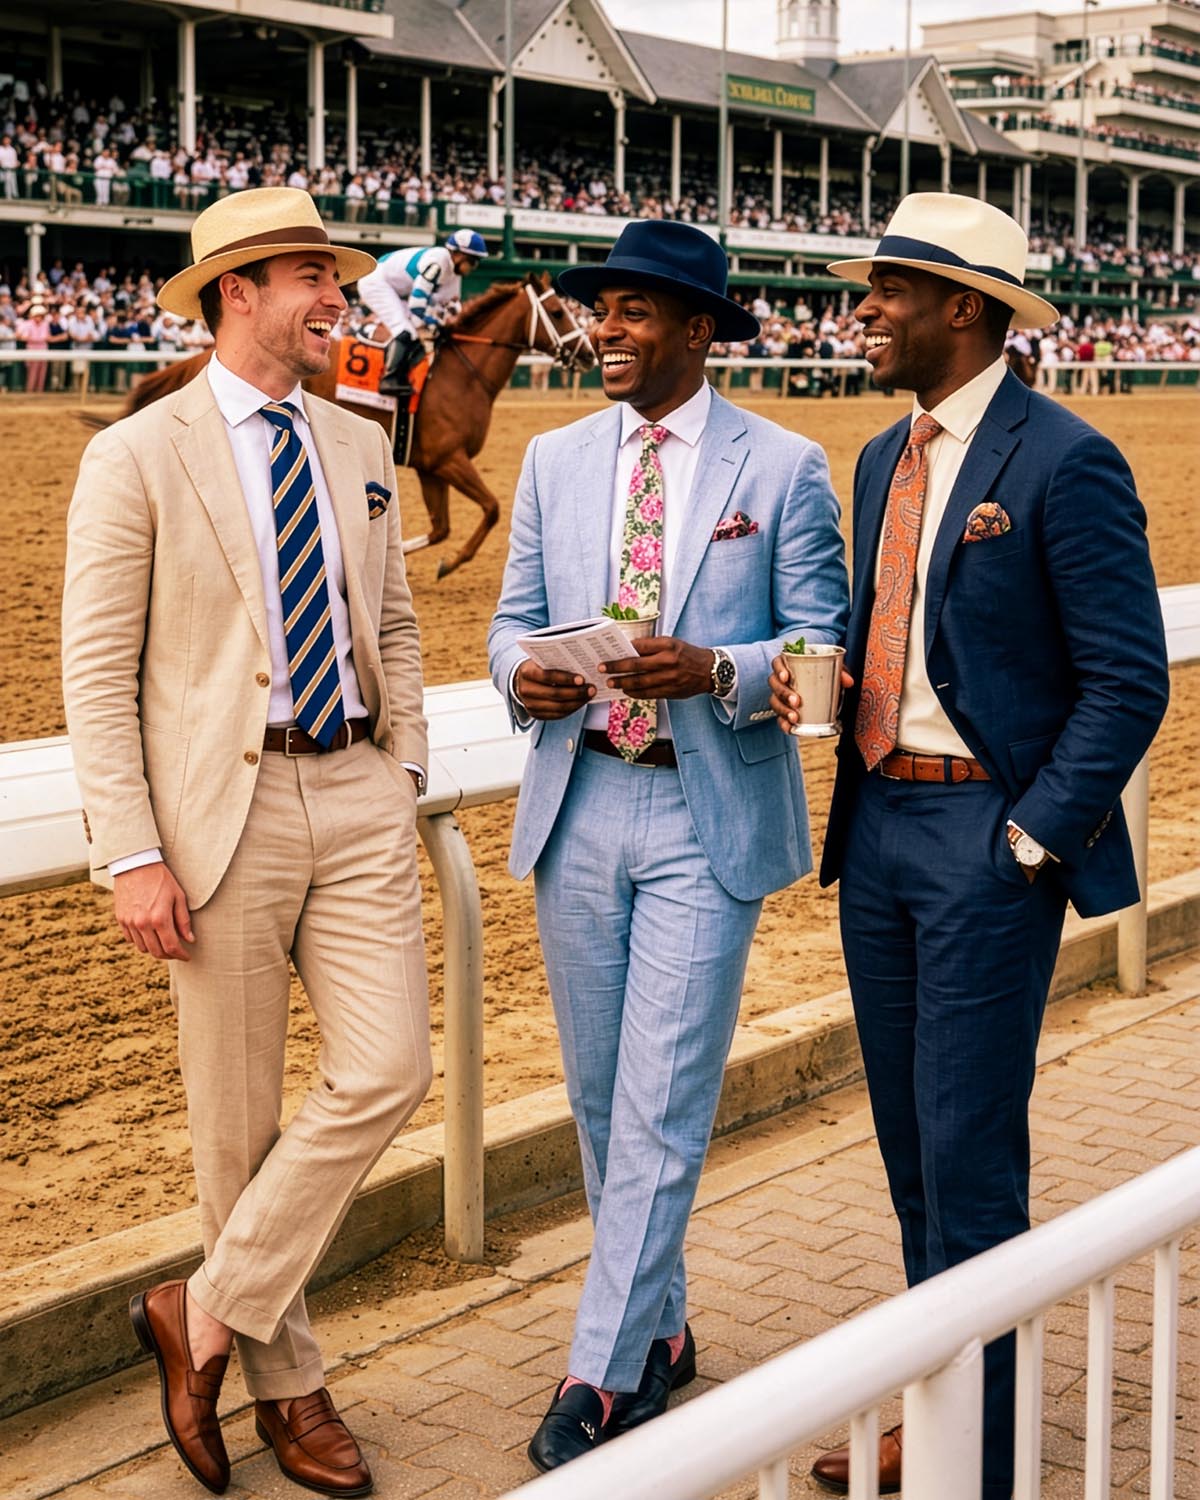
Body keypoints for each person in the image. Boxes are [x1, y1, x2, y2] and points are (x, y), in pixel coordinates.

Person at [770, 193, 1169, 1499]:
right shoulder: (884, 457)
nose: (863, 307)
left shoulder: (1068, 460)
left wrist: (1031, 840)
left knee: (971, 1156)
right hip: (876, 823)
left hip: (984, 840)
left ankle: (979, 1457)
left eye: (888, 287)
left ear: (965, 308)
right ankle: (942, 1411)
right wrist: (815, 684)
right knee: (909, 1153)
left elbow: (1127, 680)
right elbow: (890, 627)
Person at [62, 186, 432, 1498]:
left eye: (336, 276)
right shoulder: (138, 456)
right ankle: (294, 1388)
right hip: (218, 821)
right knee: (239, 1126)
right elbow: (97, 678)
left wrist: (406, 774)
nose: (338, 297)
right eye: (312, 278)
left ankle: (201, 1312)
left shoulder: (360, 441)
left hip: (357, 795)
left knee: (390, 1067)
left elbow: (390, 626)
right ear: (239, 290)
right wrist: (130, 854)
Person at [488, 219, 849, 1473]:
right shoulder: (550, 458)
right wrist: (523, 680)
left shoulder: (788, 465)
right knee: (601, 1102)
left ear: (700, 329)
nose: (608, 330)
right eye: (603, 311)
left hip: (707, 820)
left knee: (663, 1100)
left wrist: (719, 671)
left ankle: (598, 1369)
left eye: (637, 311)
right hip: (578, 800)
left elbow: (821, 660)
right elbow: (508, 627)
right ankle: (667, 1330)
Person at [356, 228, 488, 395]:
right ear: (459, 255)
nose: (474, 267)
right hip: (376, 282)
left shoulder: (454, 273)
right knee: (406, 331)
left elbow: (451, 306)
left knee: (418, 332)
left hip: (399, 291)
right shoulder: (437, 262)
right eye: (474, 261)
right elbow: (417, 306)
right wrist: (433, 323)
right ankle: (389, 380)